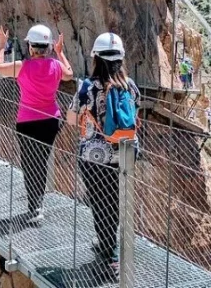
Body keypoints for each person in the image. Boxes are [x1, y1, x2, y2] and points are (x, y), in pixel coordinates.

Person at [71, 32, 140, 277]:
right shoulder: (130, 86)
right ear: (120, 58)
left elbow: (71, 118)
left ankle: (111, 254)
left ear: (96, 59)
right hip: (123, 154)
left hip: (93, 156)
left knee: (99, 203)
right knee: (116, 203)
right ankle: (110, 246)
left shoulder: (87, 87)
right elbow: (134, 117)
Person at [0, 24, 74, 225]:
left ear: (30, 47)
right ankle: (38, 203)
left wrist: (2, 45)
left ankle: (35, 206)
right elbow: (70, 74)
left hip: (27, 121)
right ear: (48, 47)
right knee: (42, 160)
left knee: (30, 163)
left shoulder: (22, 66)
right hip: (51, 120)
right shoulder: (55, 65)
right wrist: (61, 53)